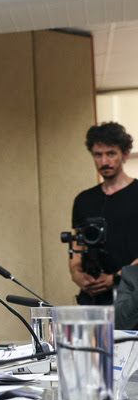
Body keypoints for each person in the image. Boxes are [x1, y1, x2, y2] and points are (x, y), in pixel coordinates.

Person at [70, 122, 138, 305]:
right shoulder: (84, 200)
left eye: (111, 153)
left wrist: (115, 278)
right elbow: (76, 245)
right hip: (93, 299)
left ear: (125, 154)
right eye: (98, 155)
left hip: (133, 296)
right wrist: (77, 274)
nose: (104, 161)